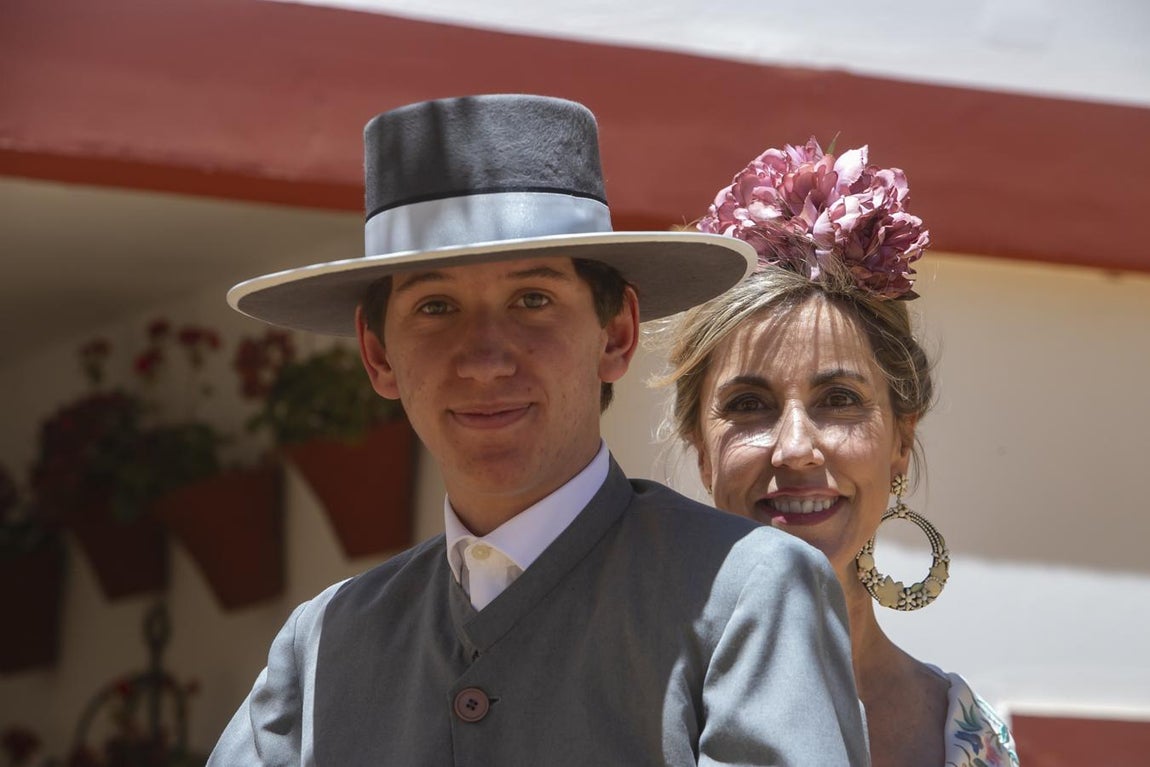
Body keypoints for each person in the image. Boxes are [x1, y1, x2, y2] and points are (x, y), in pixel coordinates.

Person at [208, 95, 870, 765]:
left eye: (533, 299)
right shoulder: (323, 644)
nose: (486, 359)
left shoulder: (747, 594)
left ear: (616, 334)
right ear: (378, 355)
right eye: (436, 307)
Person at [658, 138, 1019, 767]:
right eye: (748, 405)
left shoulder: (963, 734)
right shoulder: (625, 702)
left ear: (901, 440)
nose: (796, 449)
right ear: (701, 447)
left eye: (840, 400)